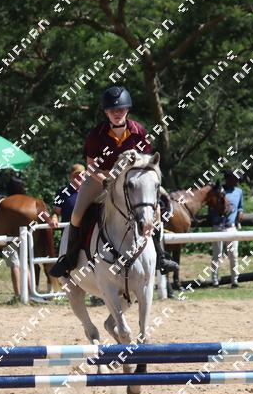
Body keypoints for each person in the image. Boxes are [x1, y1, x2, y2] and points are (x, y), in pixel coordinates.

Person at [49, 86, 178, 277]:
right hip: (100, 177)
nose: (117, 113)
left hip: (131, 178)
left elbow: (146, 161)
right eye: (112, 110)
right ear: (106, 112)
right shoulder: (96, 134)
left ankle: (160, 256)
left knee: (155, 210)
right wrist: (105, 181)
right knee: (77, 215)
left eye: (121, 109)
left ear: (127, 110)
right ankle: (69, 259)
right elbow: (91, 166)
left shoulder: (139, 131)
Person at [210, 172, 244, 288]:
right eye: (233, 178)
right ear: (228, 179)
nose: (236, 181)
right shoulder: (218, 190)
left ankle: (235, 280)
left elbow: (240, 207)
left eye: (237, 179)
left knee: (234, 255)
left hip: (231, 226)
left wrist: (240, 212)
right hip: (218, 226)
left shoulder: (239, 192)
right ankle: (214, 281)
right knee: (217, 255)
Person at [49, 163, 86, 228]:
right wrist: (54, 218)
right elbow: (55, 212)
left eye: (82, 175)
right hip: (68, 230)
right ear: (70, 177)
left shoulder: (90, 192)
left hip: (87, 231)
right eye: (76, 175)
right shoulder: (61, 193)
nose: (79, 177)